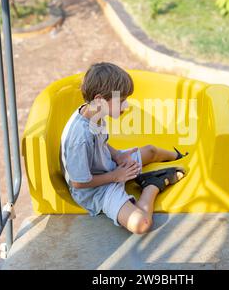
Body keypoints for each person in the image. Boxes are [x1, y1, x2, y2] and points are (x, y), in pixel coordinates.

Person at [60, 62, 187, 234]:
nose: (126, 106)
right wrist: (115, 176)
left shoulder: (94, 112)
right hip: (97, 190)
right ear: (99, 100)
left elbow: (101, 141)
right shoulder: (80, 137)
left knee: (151, 150)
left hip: (109, 166)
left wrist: (117, 157)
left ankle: (183, 157)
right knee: (141, 224)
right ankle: (152, 185)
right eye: (121, 101)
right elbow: (79, 182)